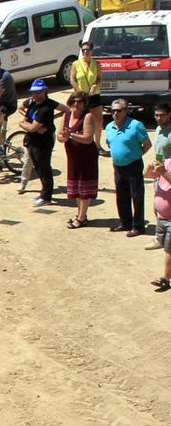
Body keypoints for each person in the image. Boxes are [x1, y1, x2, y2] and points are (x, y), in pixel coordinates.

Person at [103, 99, 152, 237]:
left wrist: (136, 155)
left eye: (119, 110)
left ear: (126, 111)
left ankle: (138, 226)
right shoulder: (109, 127)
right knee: (121, 196)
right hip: (118, 166)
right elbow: (109, 143)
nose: (115, 113)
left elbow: (147, 144)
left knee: (136, 196)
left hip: (134, 165)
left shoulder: (136, 125)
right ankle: (126, 223)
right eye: (113, 110)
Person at [18, 79, 63, 207]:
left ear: (44, 92)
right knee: (38, 168)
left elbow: (32, 127)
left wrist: (24, 124)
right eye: (34, 92)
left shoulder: (46, 108)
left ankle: (46, 197)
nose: (36, 94)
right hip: (32, 141)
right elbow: (28, 121)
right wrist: (26, 124)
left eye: (38, 92)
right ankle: (44, 193)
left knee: (44, 169)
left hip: (43, 143)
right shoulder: (33, 104)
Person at [57, 92, 99, 228]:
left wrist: (70, 135)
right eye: (74, 101)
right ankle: (80, 214)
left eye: (80, 101)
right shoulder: (66, 115)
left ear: (85, 103)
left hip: (86, 156)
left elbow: (88, 138)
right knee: (75, 186)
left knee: (84, 187)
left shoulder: (88, 116)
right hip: (73, 156)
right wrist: (63, 137)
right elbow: (59, 136)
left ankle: (81, 217)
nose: (76, 104)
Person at [69, 41, 103, 152]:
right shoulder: (76, 64)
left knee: (99, 120)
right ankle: (83, 142)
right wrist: (79, 91)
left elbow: (99, 78)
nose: (85, 52)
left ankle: (97, 145)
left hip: (94, 95)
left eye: (87, 50)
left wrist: (95, 85)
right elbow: (72, 79)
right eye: (83, 50)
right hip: (81, 97)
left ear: (92, 51)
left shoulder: (96, 64)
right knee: (81, 120)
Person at [146, 152, 171, 290]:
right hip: (162, 217)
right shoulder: (167, 162)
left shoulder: (165, 167)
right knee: (166, 247)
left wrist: (164, 173)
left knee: (169, 249)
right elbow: (147, 175)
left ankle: (165, 279)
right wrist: (150, 167)